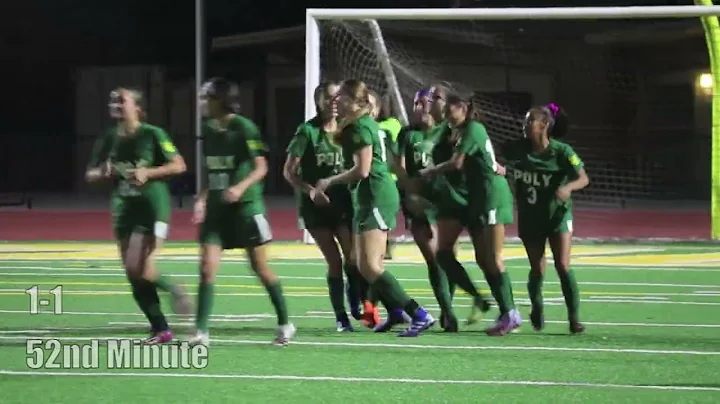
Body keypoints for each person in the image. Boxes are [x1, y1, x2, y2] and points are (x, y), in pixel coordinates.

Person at [315, 79, 435, 337]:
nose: (336, 101)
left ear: (355, 100)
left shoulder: (360, 127)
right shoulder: (362, 124)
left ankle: (418, 314)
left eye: (342, 96)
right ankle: (395, 312)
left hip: (375, 195)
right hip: (368, 196)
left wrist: (329, 181)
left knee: (369, 265)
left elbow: (363, 169)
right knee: (363, 263)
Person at [190, 77, 294, 346]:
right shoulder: (208, 130)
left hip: (246, 209)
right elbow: (213, 172)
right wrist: (202, 199)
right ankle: (200, 332)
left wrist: (239, 188)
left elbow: (262, 167)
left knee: (260, 268)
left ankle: (285, 322)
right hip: (217, 211)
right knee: (206, 268)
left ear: (221, 100)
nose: (202, 103)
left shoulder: (244, 128)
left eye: (207, 98)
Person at [85, 88, 190, 345]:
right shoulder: (109, 138)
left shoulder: (152, 134)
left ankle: (175, 290)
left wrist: (150, 173)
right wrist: (102, 174)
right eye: (112, 100)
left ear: (138, 108)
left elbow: (179, 165)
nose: (115, 104)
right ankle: (161, 329)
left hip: (152, 208)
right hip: (123, 210)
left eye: (122, 100)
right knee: (133, 273)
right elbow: (90, 174)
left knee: (141, 268)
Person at [420, 91, 520, 336]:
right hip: (479, 198)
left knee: (493, 259)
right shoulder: (461, 131)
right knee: (483, 259)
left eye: (450, 109)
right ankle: (503, 311)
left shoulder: (472, 129)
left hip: (491, 196)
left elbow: (457, 163)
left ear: (463, 108)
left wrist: (431, 172)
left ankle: (510, 313)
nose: (446, 114)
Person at [283, 81, 366, 332]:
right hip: (316, 208)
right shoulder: (307, 132)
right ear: (318, 101)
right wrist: (310, 191)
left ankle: (356, 302)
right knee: (334, 261)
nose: (333, 103)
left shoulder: (348, 130)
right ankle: (341, 317)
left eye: (336, 98)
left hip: (343, 204)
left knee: (353, 258)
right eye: (327, 98)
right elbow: (288, 171)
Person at [503, 103, 588, 334]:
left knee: (562, 265)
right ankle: (537, 307)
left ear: (545, 125)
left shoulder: (562, 152)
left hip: (557, 216)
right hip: (530, 218)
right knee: (537, 269)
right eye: (525, 120)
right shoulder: (516, 149)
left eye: (531, 121)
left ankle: (574, 318)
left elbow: (583, 178)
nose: (526, 125)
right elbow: (498, 163)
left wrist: (568, 188)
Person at [392, 88, 457, 332]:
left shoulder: (448, 132)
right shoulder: (407, 134)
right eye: (415, 104)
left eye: (422, 103)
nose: (418, 108)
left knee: (448, 258)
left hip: (446, 202)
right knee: (434, 259)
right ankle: (448, 313)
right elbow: (399, 168)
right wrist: (412, 195)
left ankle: (446, 308)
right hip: (418, 204)